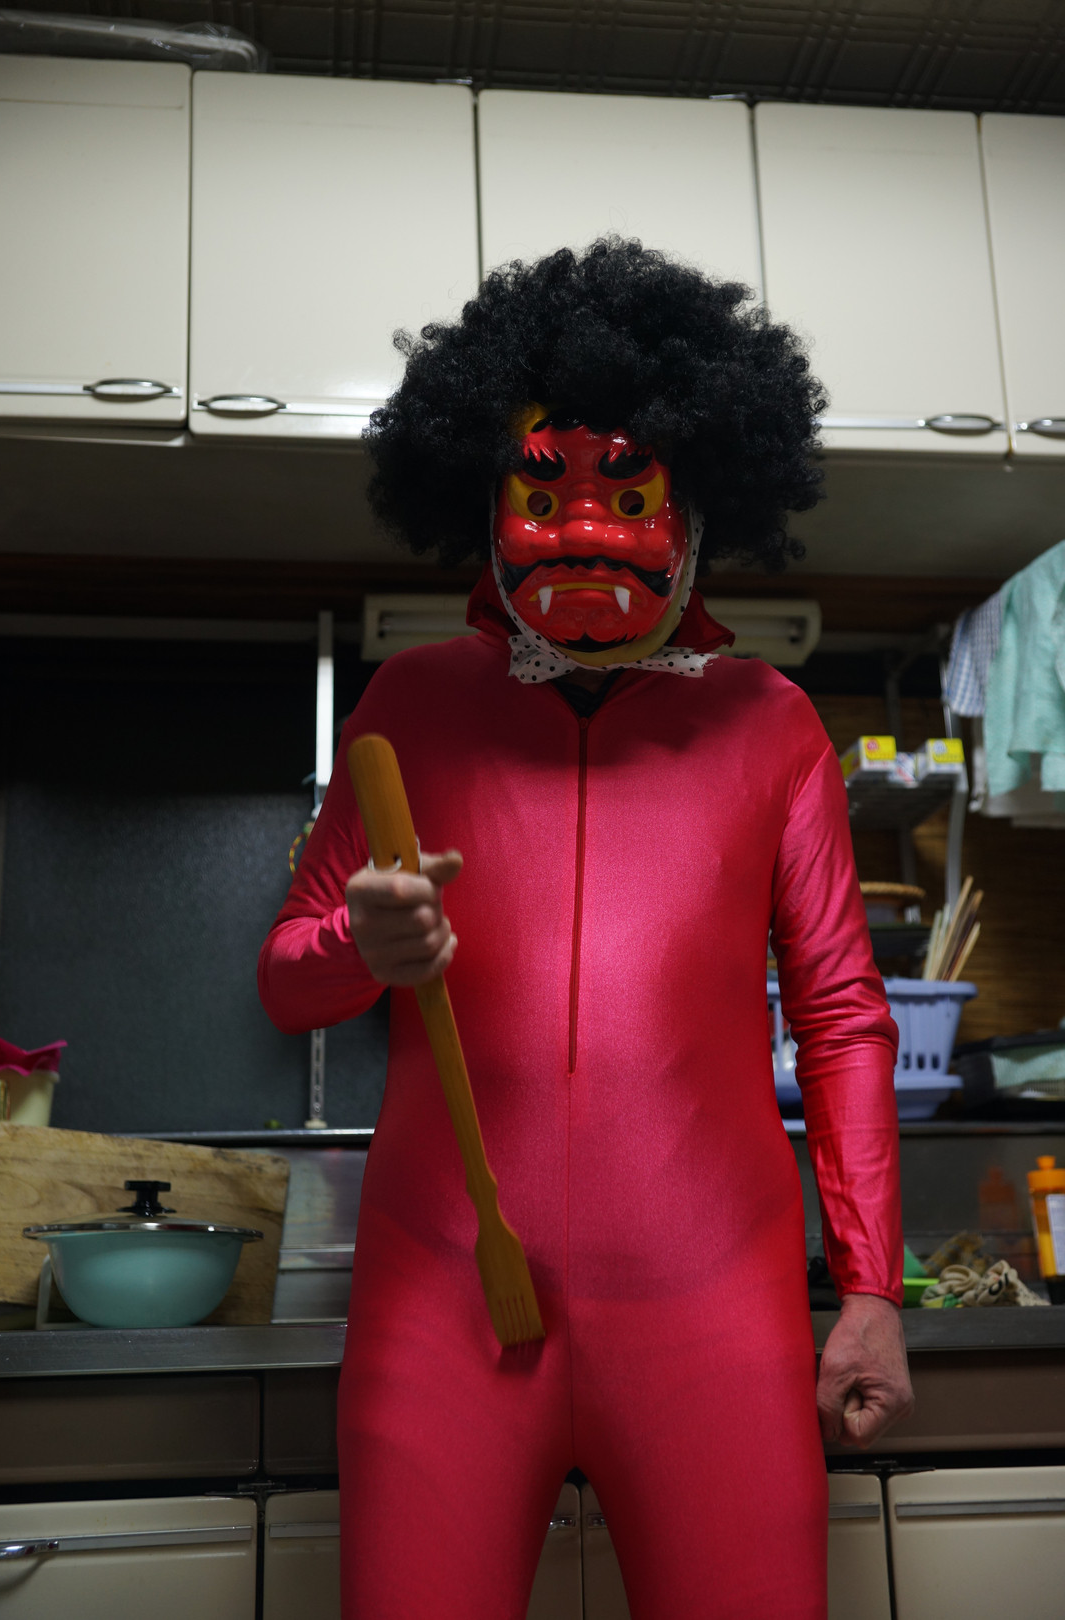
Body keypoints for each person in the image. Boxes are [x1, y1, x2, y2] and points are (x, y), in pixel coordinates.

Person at [258, 238, 913, 1620]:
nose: (582, 525)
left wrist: (872, 1289)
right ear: (485, 497)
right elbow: (287, 979)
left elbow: (845, 1016)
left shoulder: (772, 724)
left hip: (713, 1313)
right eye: (543, 485)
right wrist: (358, 951)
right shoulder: (407, 709)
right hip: (442, 1307)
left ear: (698, 504)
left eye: (629, 488)